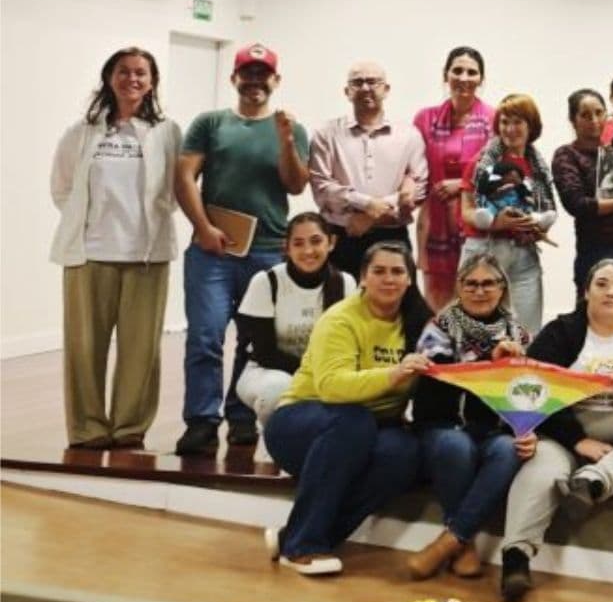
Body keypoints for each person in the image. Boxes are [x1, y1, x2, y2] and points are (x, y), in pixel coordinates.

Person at [503, 258, 613, 602]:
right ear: (586, 291)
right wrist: (578, 440)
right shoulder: (561, 332)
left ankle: (592, 482)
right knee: (543, 470)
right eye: (602, 284)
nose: (610, 292)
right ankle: (515, 560)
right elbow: (532, 389)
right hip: (566, 431)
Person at [174, 43, 312, 456]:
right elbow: (184, 178)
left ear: (276, 80)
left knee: (252, 343)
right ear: (234, 79)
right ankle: (201, 421)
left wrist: (286, 140)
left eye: (262, 74)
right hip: (213, 251)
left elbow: (295, 184)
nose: (255, 81)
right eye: (247, 74)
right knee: (205, 336)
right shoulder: (210, 123)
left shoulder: (292, 128)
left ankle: (240, 417)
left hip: (268, 252)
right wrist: (203, 228)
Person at [262, 242, 431, 576]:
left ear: (410, 279)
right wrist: (392, 374)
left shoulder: (420, 323)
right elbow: (332, 387)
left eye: (398, 271)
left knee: (403, 452)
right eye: (378, 271)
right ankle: (302, 547)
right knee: (354, 422)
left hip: (369, 428)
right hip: (302, 425)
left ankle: (294, 536)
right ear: (362, 277)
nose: (389, 279)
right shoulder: (340, 319)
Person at [50, 45, 181, 450]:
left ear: (152, 81)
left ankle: (128, 430)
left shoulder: (167, 132)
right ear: (110, 78)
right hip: (88, 255)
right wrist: (89, 225)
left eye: (142, 73)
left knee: (140, 351)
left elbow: (176, 190)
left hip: (147, 257)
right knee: (84, 349)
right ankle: (87, 430)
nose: (133, 79)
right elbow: (62, 189)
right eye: (124, 71)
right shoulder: (82, 132)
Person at [408, 252, 533, 580]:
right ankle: (464, 544)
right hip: (442, 424)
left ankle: (451, 540)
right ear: (459, 288)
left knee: (510, 451)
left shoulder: (518, 334)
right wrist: (491, 364)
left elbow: (525, 391)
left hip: (492, 429)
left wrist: (526, 428)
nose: (480, 290)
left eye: (488, 283)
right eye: (471, 284)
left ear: (502, 289)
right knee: (456, 446)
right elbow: (439, 378)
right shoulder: (439, 326)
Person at [307, 61, 428, 278]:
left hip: (392, 237)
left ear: (386, 89)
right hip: (341, 237)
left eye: (372, 81)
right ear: (347, 91)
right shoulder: (326, 133)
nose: (365, 88)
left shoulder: (409, 135)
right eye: (357, 82)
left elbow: (419, 188)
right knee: (338, 306)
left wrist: (372, 216)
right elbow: (321, 187)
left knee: (393, 308)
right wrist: (366, 203)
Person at [234, 212, 355, 427]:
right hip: (268, 371)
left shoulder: (345, 283)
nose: (308, 251)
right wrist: (313, 377)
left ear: (331, 243)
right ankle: (278, 445)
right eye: (298, 243)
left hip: (326, 373)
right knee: (278, 390)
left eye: (316, 241)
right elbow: (265, 353)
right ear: (287, 248)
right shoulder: (266, 282)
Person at [460, 94, 557, 328]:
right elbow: (466, 210)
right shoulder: (482, 161)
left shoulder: (538, 165)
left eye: (517, 122)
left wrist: (535, 224)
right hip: (484, 250)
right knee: (477, 331)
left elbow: (545, 207)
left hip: (524, 253)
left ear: (530, 126)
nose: (510, 129)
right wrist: (496, 223)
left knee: (527, 331)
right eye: (504, 122)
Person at [414, 46, 496, 309]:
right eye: (457, 70)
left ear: (481, 79)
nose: (464, 77)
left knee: (476, 303)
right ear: (445, 75)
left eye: (472, 72)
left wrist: (461, 185)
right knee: (437, 310)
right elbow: (414, 171)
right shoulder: (425, 119)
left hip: (478, 227)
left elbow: (499, 175)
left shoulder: (494, 120)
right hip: (435, 226)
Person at [553, 88, 613, 297]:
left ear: (607, 114)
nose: (594, 120)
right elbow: (578, 205)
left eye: (598, 112)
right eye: (585, 115)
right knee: (592, 320)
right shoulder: (566, 155)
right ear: (573, 119)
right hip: (596, 252)